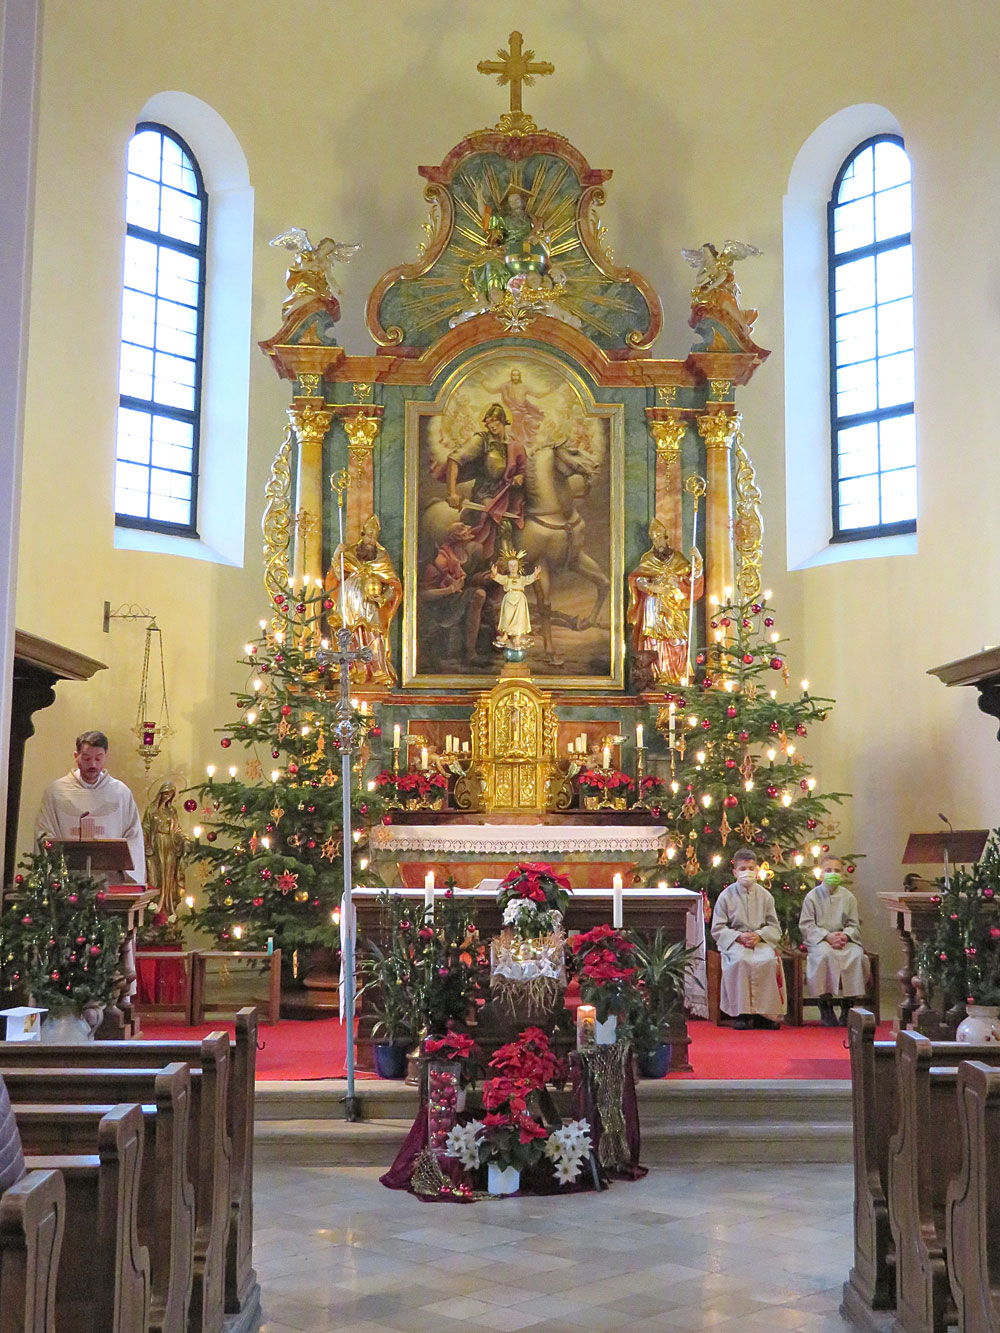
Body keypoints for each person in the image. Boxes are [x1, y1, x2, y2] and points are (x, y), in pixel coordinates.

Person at [35, 730, 145, 882]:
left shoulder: (121, 793)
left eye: (98, 758)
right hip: (67, 881)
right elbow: (44, 834)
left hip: (109, 881)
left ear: (106, 757)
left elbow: (133, 837)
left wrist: (129, 876)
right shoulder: (56, 792)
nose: (93, 764)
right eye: (86, 758)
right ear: (76, 756)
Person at [711, 847, 787, 1030]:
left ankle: (765, 1015)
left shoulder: (765, 896)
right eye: (743, 868)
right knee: (740, 961)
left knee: (768, 960)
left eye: (751, 868)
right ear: (735, 872)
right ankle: (742, 1014)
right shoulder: (726, 896)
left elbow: (774, 926)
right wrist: (738, 936)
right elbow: (718, 927)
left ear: (757, 870)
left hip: (759, 941)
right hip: (736, 942)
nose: (747, 872)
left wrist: (759, 936)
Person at [325, 513, 403, 687]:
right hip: (349, 601)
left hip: (370, 604)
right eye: (368, 536)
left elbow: (393, 584)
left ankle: (376, 670)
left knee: (373, 633)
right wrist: (336, 557)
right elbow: (336, 575)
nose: (370, 540)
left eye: (374, 537)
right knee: (350, 633)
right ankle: (354, 670)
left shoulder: (382, 558)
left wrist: (383, 597)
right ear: (362, 535)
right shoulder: (349, 553)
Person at [441, 403, 526, 558]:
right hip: (485, 494)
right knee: (503, 523)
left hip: (507, 494)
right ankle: (506, 567)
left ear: (503, 421)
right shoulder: (482, 440)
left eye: (495, 421)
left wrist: (520, 476)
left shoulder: (513, 445)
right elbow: (454, 459)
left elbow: (523, 468)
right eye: (488, 422)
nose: (491, 425)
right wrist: (452, 493)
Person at [627, 518, 703, 685]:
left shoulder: (678, 558)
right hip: (652, 606)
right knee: (653, 639)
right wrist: (650, 587)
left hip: (673, 604)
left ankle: (677, 674)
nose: (657, 542)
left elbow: (691, 578)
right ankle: (655, 674)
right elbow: (637, 579)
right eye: (654, 539)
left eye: (660, 538)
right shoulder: (647, 558)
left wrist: (698, 561)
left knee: (677, 638)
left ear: (666, 538)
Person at [799, 854, 867, 1026]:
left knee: (856, 955)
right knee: (824, 955)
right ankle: (826, 1005)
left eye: (836, 870)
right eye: (828, 870)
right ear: (821, 874)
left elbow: (854, 924)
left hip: (845, 940)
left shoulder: (849, 897)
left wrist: (845, 935)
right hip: (820, 940)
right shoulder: (812, 897)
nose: (832, 873)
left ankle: (848, 1006)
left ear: (842, 874)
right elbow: (806, 925)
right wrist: (826, 936)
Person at [142, 781, 188, 918]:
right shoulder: (151, 809)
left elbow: (177, 829)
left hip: (169, 845)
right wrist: (147, 844)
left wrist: (184, 839)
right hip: (156, 844)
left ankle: (168, 907)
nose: (168, 796)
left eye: (171, 794)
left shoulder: (172, 811)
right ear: (161, 794)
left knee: (169, 875)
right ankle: (155, 906)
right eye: (166, 793)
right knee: (155, 875)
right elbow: (145, 828)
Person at [491, 554, 540, 651]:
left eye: (515, 566)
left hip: (519, 601)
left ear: (518, 567)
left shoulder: (521, 579)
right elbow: (499, 578)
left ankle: (517, 638)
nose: (513, 568)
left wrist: (535, 574)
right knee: (507, 617)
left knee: (519, 619)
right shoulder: (506, 579)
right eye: (511, 566)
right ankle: (505, 635)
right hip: (509, 599)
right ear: (508, 567)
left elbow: (528, 579)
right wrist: (495, 574)